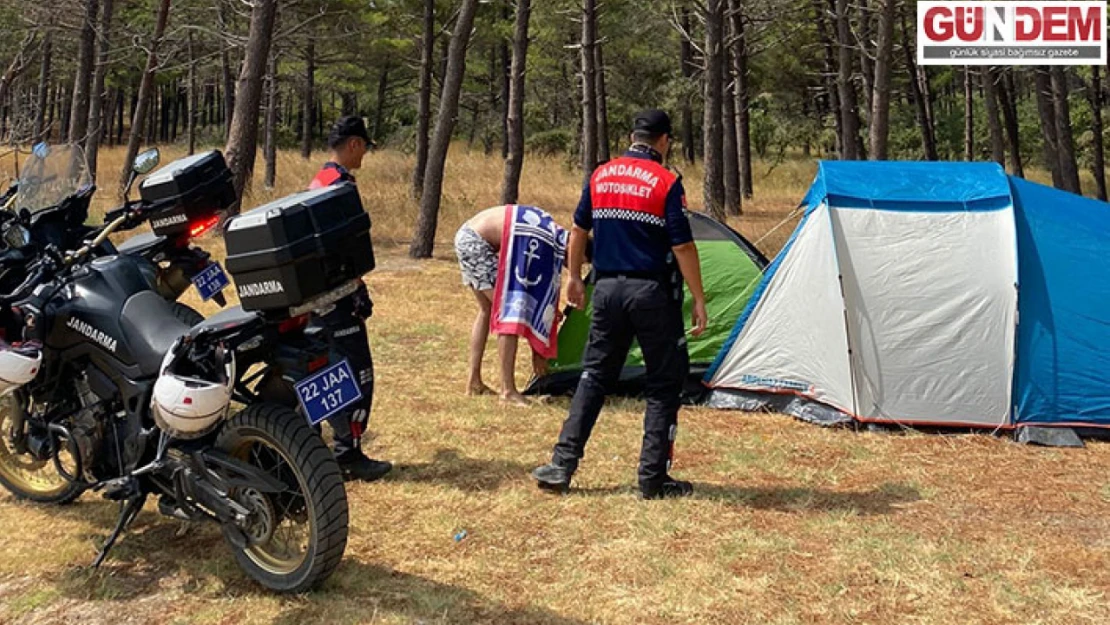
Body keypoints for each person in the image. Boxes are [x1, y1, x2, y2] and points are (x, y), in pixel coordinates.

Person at [531, 109, 708, 500]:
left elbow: (578, 229)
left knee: (594, 375)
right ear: (663, 141)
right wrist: (698, 297)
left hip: (607, 290)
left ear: (632, 136)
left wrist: (575, 278)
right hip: (652, 293)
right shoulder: (666, 182)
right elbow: (681, 245)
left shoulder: (601, 175)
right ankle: (652, 477)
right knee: (664, 383)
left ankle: (562, 464)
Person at [308, 115, 391, 482]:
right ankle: (348, 453)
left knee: (320, 370)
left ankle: (314, 446)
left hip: (315, 296)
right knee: (358, 372)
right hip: (336, 298)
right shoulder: (339, 187)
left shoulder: (320, 180)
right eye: (364, 148)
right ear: (354, 144)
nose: (364, 156)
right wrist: (358, 290)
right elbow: (345, 247)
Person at [455, 206, 554, 405]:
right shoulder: (546, 240)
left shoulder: (548, 230)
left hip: (466, 236)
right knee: (510, 314)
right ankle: (508, 392)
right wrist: (538, 350)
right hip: (476, 242)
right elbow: (526, 295)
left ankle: (474, 383)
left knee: (487, 309)